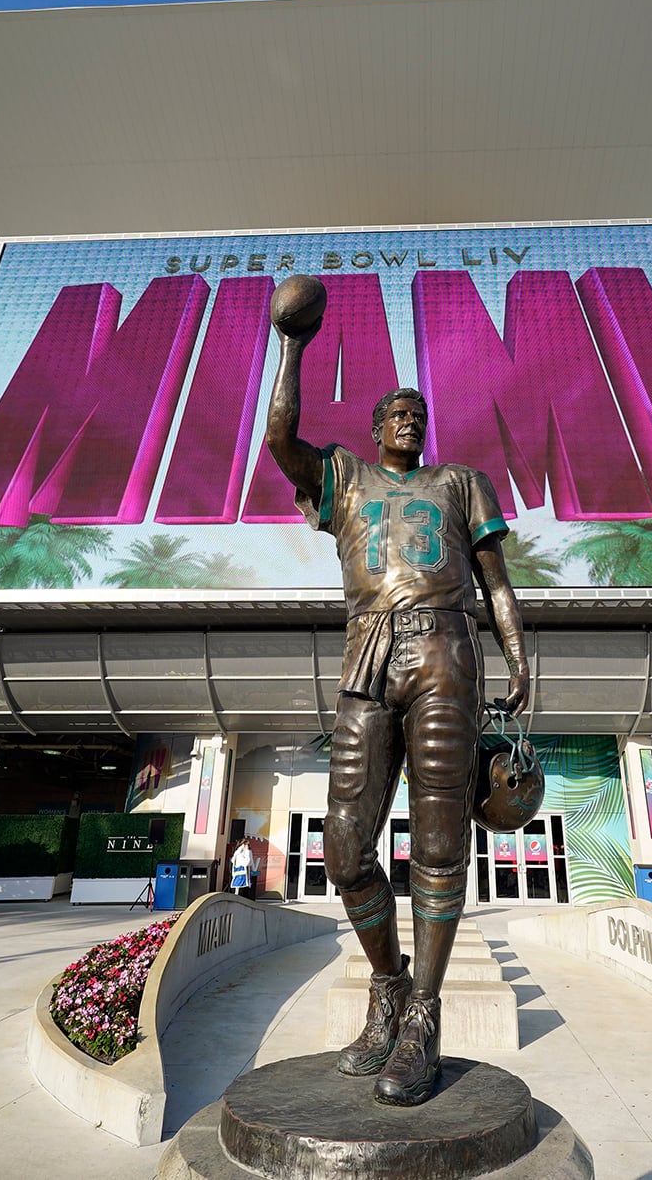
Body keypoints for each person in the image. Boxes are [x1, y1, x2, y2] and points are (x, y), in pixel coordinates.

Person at [265, 300, 530, 1107]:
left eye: (419, 413)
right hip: (367, 648)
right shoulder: (343, 476)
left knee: (442, 838)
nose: (410, 420)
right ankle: (390, 984)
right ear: (377, 427)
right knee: (345, 844)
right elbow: (279, 440)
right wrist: (292, 347)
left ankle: (425, 1016)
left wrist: (520, 656)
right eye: (397, 412)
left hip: (448, 648)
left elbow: (496, 583)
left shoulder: (461, 482)